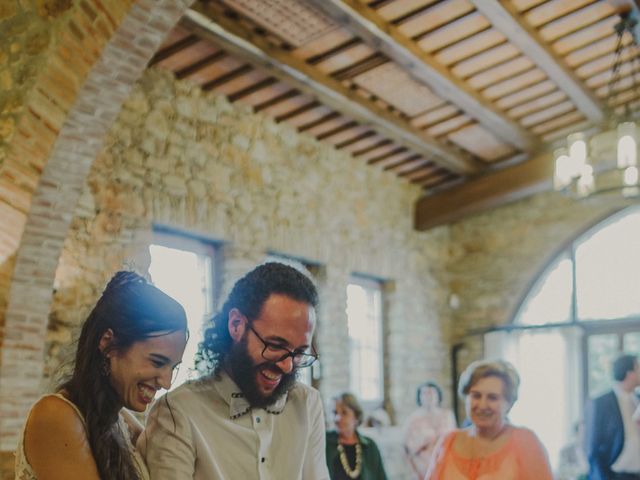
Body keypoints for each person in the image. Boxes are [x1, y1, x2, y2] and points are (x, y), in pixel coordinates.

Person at [140, 262, 330, 479]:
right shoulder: (177, 412)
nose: (287, 366)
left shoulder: (308, 404)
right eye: (275, 345)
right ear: (236, 325)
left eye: (299, 352)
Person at [14, 271, 188, 480]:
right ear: (108, 343)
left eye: (173, 367)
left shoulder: (120, 421)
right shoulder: (55, 415)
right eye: (157, 362)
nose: (167, 382)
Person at [425, 359, 553, 480]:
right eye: (476, 395)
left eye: (492, 397)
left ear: (509, 403)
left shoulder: (526, 442)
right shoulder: (447, 442)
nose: (482, 405)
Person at [585, 353, 640, 480]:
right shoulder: (601, 403)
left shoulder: (638, 400)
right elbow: (592, 448)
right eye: (638, 368)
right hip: (615, 476)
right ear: (629, 373)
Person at [326, 392, 388, 480]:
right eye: (335, 412)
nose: (337, 418)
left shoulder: (370, 446)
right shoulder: (325, 442)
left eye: (344, 412)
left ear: (356, 416)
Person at [402, 381, 456, 479]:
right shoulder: (413, 419)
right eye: (425, 393)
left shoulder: (447, 415)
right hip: (422, 466)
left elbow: (453, 439)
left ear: (438, 396)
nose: (429, 396)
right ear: (420, 397)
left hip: (445, 464)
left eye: (432, 393)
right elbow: (408, 448)